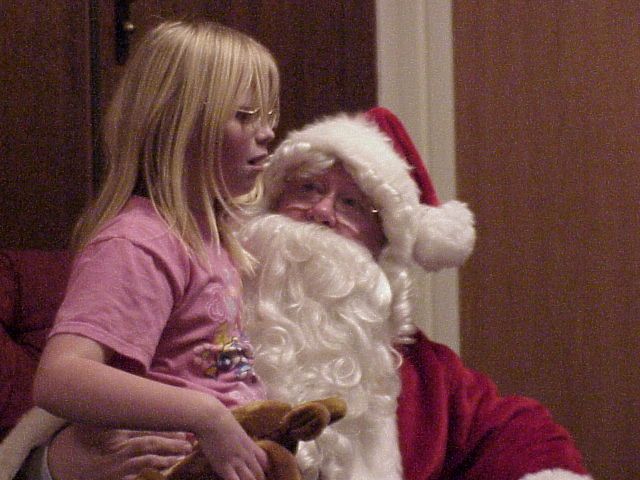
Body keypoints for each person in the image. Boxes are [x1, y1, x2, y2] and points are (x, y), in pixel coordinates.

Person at [236, 107, 593, 480]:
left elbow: (518, 433)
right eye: (308, 188)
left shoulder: (423, 378)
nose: (322, 211)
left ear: (382, 245)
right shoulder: (205, 315)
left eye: (351, 204)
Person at [28, 19, 280, 480]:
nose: (266, 132)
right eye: (245, 116)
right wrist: (206, 415)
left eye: (268, 115)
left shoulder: (212, 238)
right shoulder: (139, 242)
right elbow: (60, 377)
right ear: (180, 126)